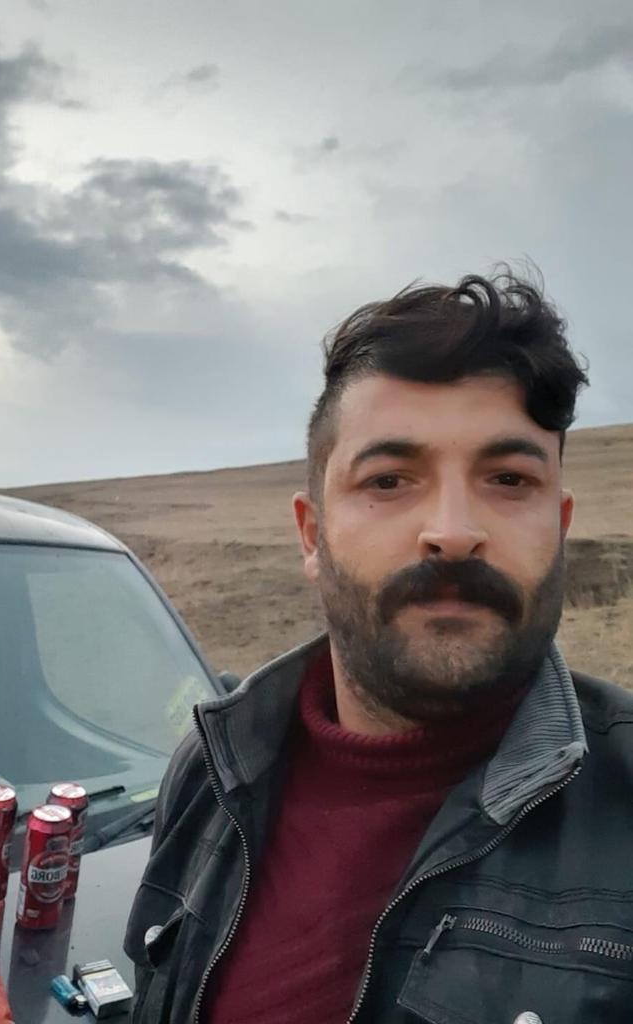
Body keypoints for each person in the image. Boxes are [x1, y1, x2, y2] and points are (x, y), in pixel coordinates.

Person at [124, 268, 633, 1024]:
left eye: (508, 478)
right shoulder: (209, 772)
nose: (453, 531)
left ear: (559, 526)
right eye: (390, 481)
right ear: (312, 534)